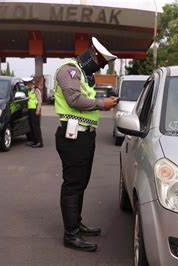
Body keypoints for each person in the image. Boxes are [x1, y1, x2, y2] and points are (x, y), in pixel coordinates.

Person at [54, 37, 119, 252]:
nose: (99, 67)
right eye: (100, 62)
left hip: (84, 137)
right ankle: (70, 235)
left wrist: (107, 100)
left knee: (81, 184)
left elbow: (84, 99)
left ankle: (76, 224)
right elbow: (74, 100)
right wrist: (103, 104)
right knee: (73, 185)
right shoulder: (69, 70)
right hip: (73, 137)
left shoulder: (83, 74)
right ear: (91, 55)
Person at [24, 77, 43, 148]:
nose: (27, 85)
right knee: (31, 126)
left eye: (28, 83)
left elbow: (39, 101)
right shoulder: (29, 90)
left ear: (31, 83)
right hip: (30, 109)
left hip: (35, 110)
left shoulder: (36, 90)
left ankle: (39, 142)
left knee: (36, 127)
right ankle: (34, 141)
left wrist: (38, 110)